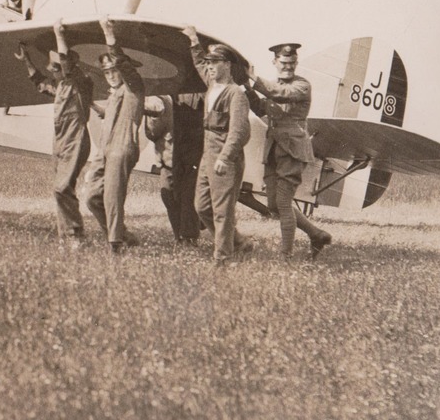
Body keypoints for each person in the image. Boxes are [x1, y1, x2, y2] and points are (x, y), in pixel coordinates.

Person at [246, 42, 333, 259]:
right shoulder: (274, 85)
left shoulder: (301, 85)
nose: (288, 66)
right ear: (275, 62)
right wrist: (246, 88)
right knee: (274, 205)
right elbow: (260, 108)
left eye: (292, 63)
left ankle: (285, 255)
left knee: (283, 202)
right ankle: (317, 234)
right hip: (275, 149)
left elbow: (282, 94)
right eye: (284, 63)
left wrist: (253, 79)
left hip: (293, 151)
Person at [17, 20, 101, 244]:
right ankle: (66, 236)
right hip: (61, 140)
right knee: (63, 189)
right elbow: (40, 83)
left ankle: (76, 236)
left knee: (61, 188)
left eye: (53, 68)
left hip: (76, 139)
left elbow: (65, 62)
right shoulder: (63, 85)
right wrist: (26, 60)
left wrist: (59, 34)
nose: (50, 70)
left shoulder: (80, 82)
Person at [183, 29, 253, 264]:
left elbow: (238, 130)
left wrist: (225, 157)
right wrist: (194, 42)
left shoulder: (236, 95)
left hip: (225, 157)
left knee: (222, 211)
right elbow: (199, 64)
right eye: (209, 63)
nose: (209, 66)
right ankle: (239, 243)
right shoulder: (212, 84)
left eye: (214, 63)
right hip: (208, 154)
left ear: (227, 65)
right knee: (202, 206)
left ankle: (223, 258)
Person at [84, 16, 146, 252]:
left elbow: (122, 63)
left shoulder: (134, 86)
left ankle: (115, 244)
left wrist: (110, 37)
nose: (109, 73)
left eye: (113, 69)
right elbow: (110, 118)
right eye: (105, 70)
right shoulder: (115, 93)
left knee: (112, 196)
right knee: (91, 198)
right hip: (105, 150)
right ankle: (121, 234)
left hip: (121, 149)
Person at [143, 92, 203, 243]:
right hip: (170, 155)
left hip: (184, 154)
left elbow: (152, 132)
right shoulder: (164, 97)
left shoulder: (163, 98)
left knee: (184, 197)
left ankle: (189, 236)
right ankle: (182, 235)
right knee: (171, 196)